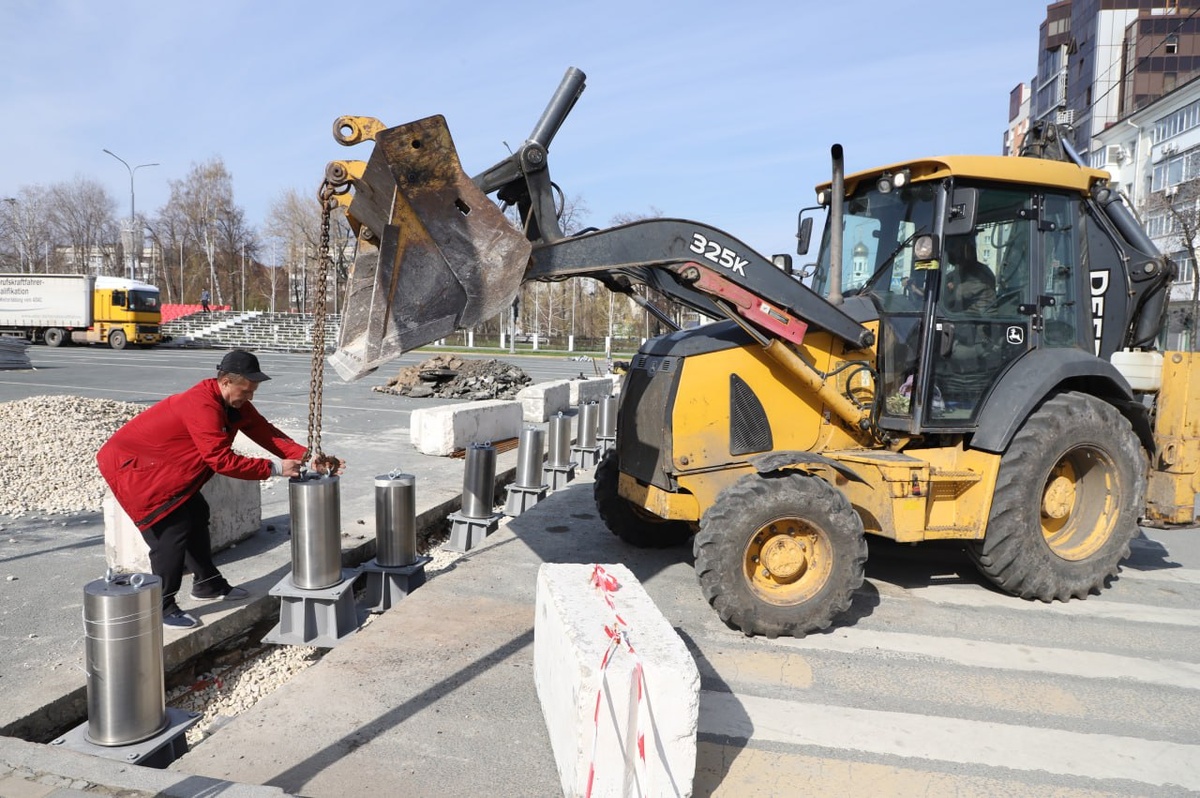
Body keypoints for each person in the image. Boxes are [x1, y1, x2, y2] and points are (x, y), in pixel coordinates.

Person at [96, 350, 344, 630]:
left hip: (163, 464)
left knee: (197, 513)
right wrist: (274, 468)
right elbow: (219, 459)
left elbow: (265, 431)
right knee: (171, 530)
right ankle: (160, 605)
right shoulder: (201, 405)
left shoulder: (233, 404)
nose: (250, 397)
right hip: (136, 469)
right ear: (225, 381)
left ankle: (207, 583)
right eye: (246, 390)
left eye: (254, 391)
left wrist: (308, 456)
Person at [942, 236, 996, 312]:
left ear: (967, 250)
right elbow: (949, 277)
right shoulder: (963, 269)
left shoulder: (980, 272)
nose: (954, 252)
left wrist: (950, 288)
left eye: (955, 248)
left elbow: (958, 293)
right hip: (968, 316)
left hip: (982, 319)